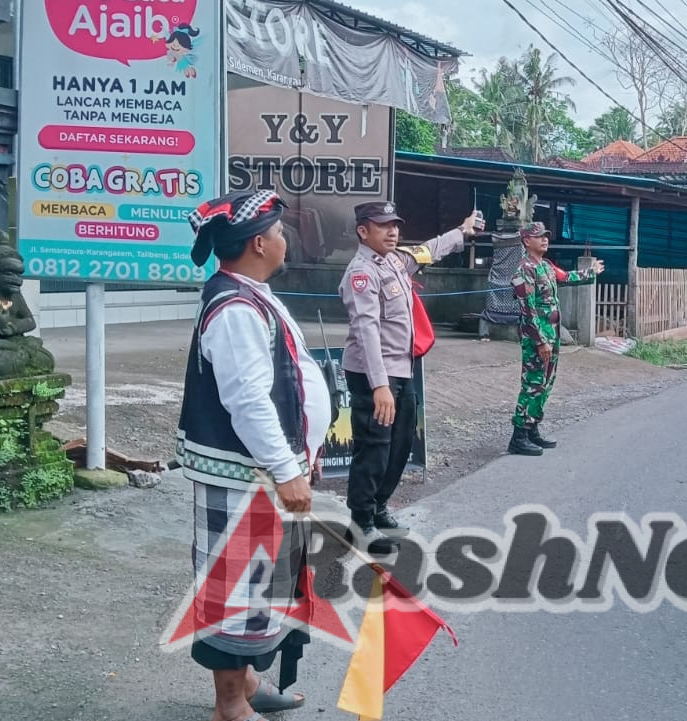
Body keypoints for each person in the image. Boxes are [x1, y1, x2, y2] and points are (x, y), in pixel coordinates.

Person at [175, 189, 332, 721]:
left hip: (260, 473)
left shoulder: (250, 294)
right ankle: (230, 705)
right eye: (281, 233)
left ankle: (245, 684)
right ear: (260, 242)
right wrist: (288, 469)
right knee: (236, 587)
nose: (285, 240)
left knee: (259, 584)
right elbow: (246, 400)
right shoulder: (235, 307)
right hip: (242, 476)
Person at [341, 200, 479, 549]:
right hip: (375, 376)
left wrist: (461, 231)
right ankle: (360, 523)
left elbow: (429, 250)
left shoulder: (395, 261)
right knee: (373, 449)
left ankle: (379, 507)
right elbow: (366, 331)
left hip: (403, 370)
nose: (393, 231)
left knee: (400, 445)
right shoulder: (362, 273)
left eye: (395, 225)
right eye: (384, 226)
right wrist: (380, 386)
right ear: (363, 231)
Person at [507, 221, 604, 456]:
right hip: (537, 336)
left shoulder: (546, 266)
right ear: (526, 241)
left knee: (546, 382)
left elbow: (566, 276)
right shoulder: (524, 270)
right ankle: (518, 435)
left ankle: (532, 428)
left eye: (546, 236)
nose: (545, 239)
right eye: (539, 236)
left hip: (552, 333)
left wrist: (591, 272)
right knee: (533, 383)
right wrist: (541, 341)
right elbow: (527, 310)